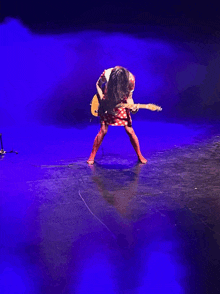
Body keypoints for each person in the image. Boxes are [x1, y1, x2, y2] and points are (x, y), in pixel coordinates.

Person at [87, 66, 147, 165]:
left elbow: (129, 98)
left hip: (121, 102)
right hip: (107, 101)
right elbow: (98, 84)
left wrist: (133, 107)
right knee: (103, 130)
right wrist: (101, 97)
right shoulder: (106, 74)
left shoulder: (131, 80)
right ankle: (92, 155)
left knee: (130, 130)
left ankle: (139, 154)